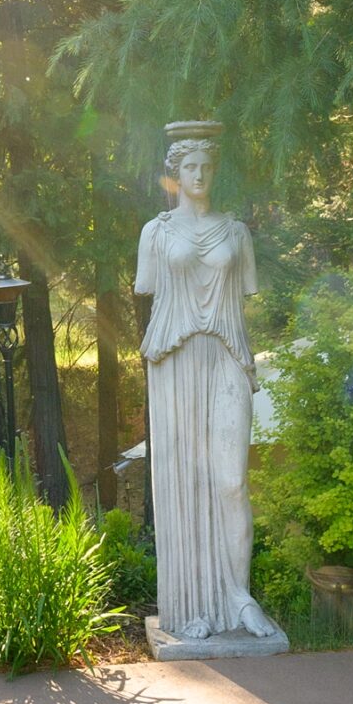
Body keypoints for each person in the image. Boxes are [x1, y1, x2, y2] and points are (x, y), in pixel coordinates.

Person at [135, 121, 280, 641]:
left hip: (226, 357)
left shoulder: (236, 232)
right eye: (189, 166)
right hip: (174, 362)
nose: (198, 175)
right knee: (185, 482)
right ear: (175, 173)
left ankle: (239, 598)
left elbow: (245, 294)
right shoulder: (156, 233)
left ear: (214, 171)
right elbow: (148, 289)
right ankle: (191, 603)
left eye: (206, 166)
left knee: (231, 480)